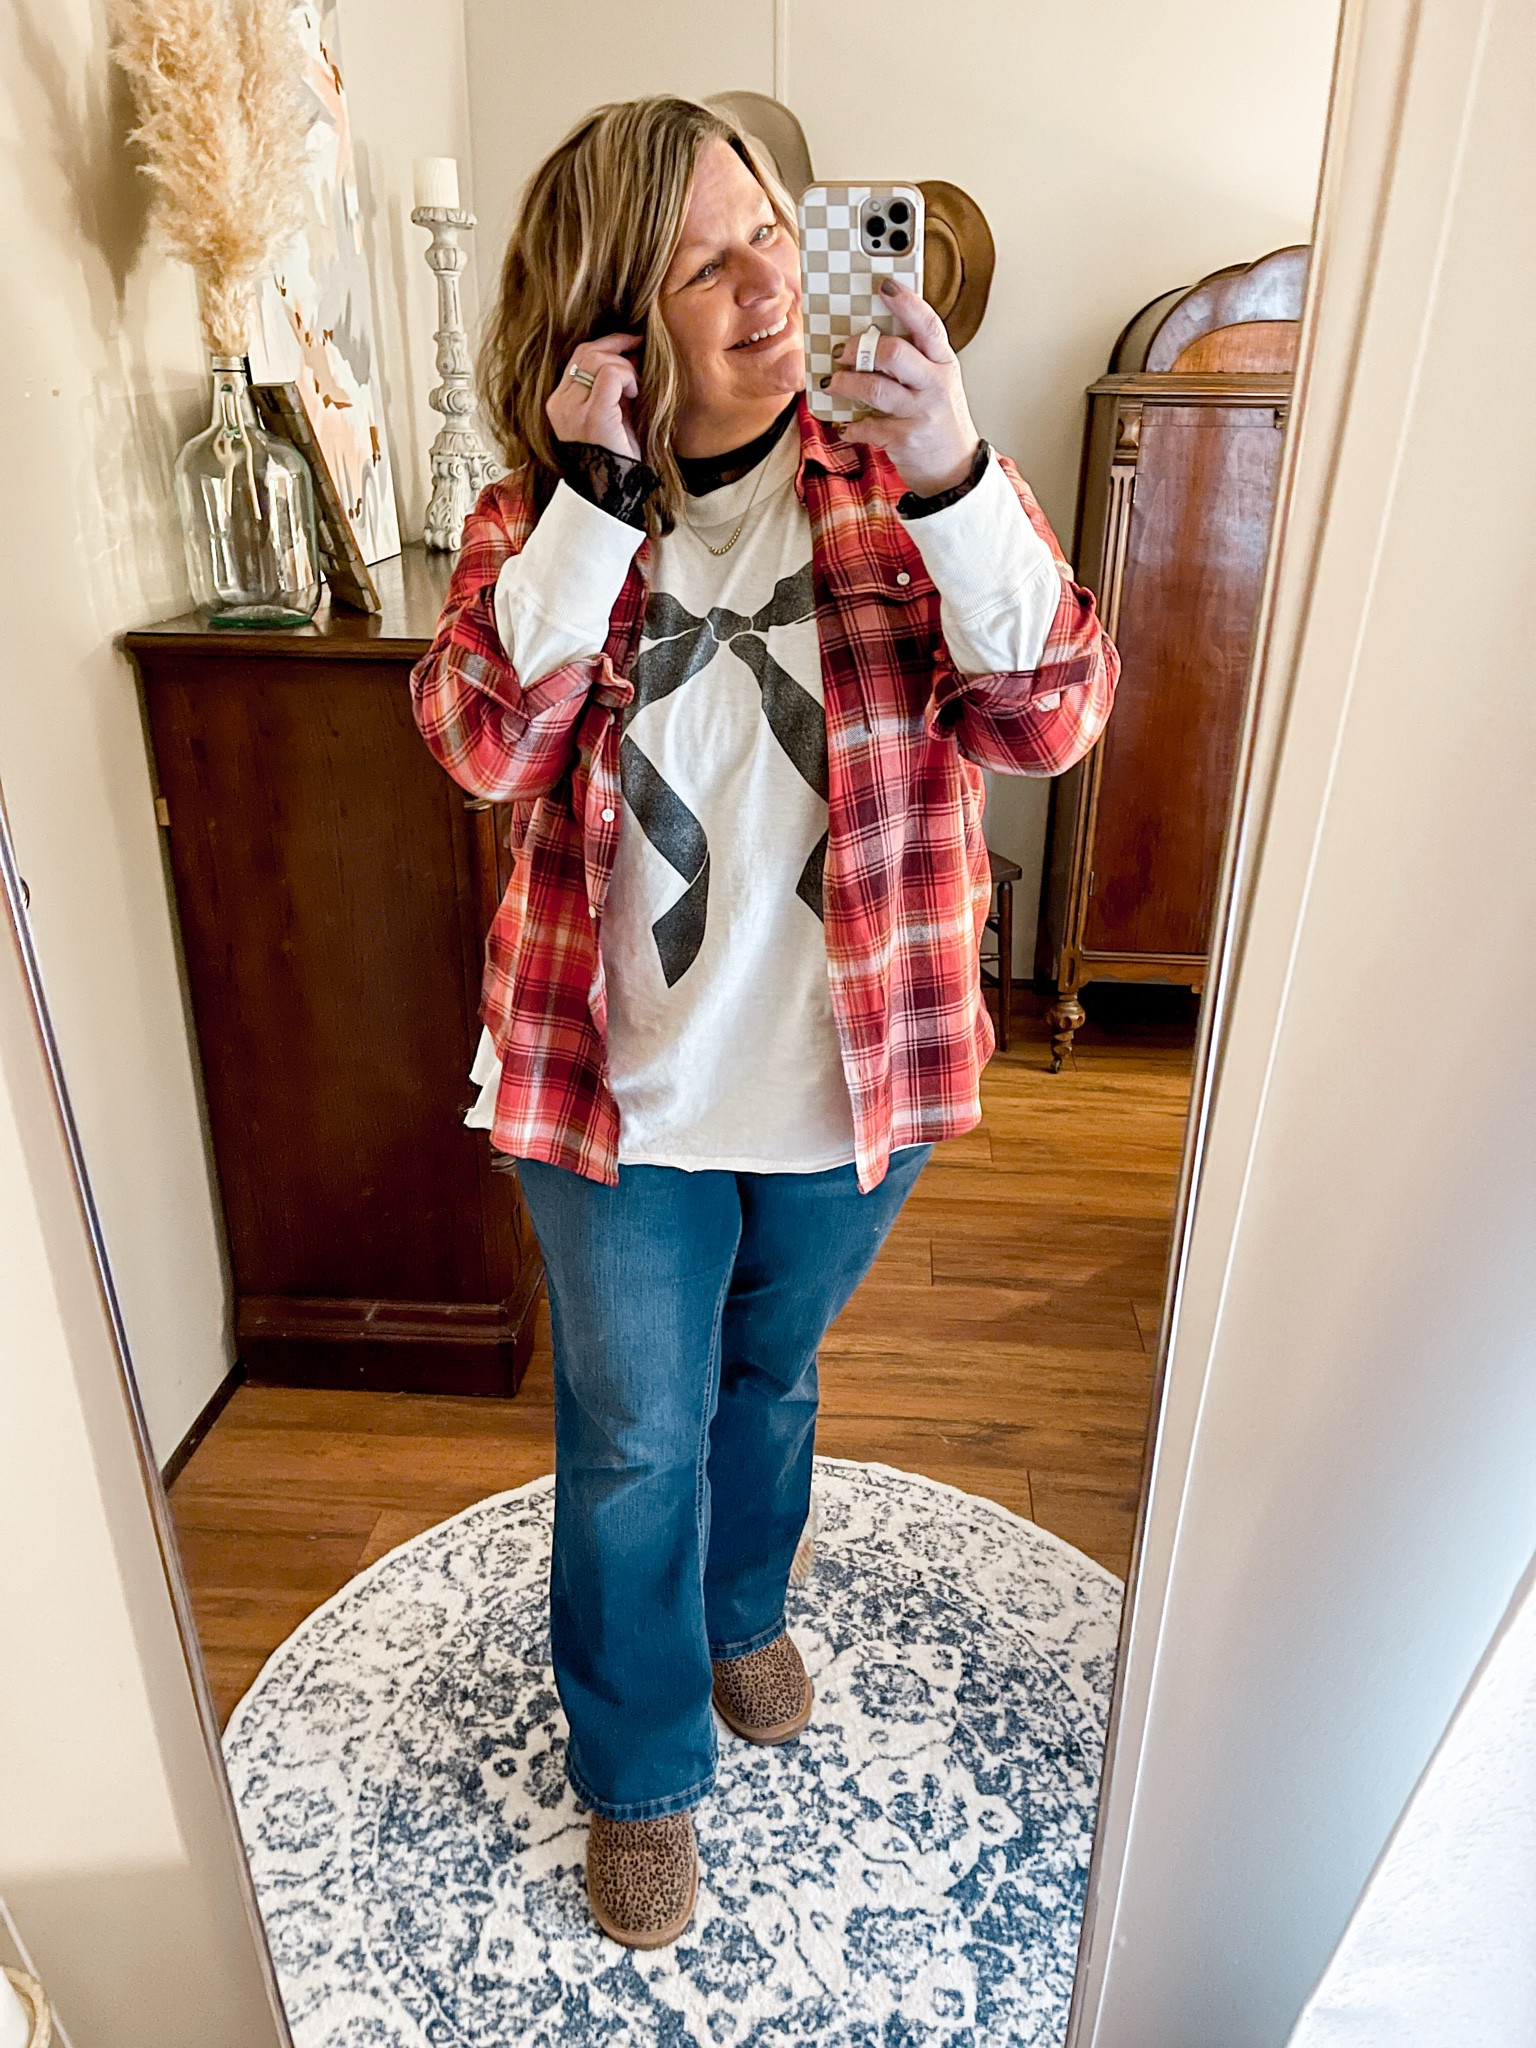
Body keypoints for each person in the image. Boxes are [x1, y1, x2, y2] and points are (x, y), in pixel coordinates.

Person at [411, 95, 1117, 1950]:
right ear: (612, 321)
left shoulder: (909, 482)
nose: (767, 286)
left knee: (769, 1375)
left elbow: (1049, 715)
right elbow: (480, 739)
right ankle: (639, 1765)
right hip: (608, 1094)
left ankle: (738, 1613)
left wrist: (963, 477)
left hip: (854, 1082)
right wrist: (587, 498)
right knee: (635, 1428)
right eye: (705, 258)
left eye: (772, 234)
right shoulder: (533, 522)